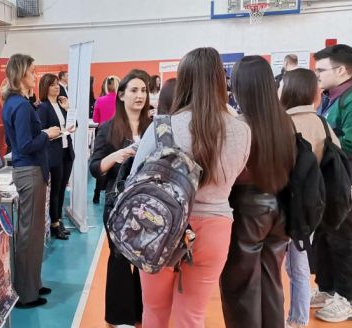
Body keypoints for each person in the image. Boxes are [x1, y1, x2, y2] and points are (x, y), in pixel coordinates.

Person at [130, 48, 251, 328]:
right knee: (193, 316)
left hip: (159, 225)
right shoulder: (242, 129)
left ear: (183, 81)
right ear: (222, 81)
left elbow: (137, 175)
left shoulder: (163, 126)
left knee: (155, 312)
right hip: (216, 226)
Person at [219, 55, 296, 328]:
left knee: (240, 287)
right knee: (271, 281)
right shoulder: (284, 122)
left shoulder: (239, 125)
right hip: (281, 207)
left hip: (247, 209)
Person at [311, 44, 352, 323]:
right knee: (326, 234)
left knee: (344, 237)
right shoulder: (332, 96)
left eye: (321, 70)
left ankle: (349, 299)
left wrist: (314, 148)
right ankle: (327, 289)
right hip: (334, 178)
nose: (317, 76)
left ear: (341, 70)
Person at [278, 68, 341, 328]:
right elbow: (336, 157)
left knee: (284, 266)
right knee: (299, 263)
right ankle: (298, 318)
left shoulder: (283, 124)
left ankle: (295, 319)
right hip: (313, 205)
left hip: (284, 203)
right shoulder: (321, 123)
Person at [89, 69, 152, 327]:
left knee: (145, 259)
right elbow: (95, 168)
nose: (140, 95)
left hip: (148, 205)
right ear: (122, 95)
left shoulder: (154, 128)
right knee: (119, 257)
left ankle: (141, 312)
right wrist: (119, 155)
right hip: (118, 204)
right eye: (134, 90)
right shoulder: (108, 129)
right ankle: (119, 316)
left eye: (144, 90)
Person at [1, 54, 61, 309]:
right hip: (30, 171)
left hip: (31, 171)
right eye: (32, 72)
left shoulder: (16, 103)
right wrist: (47, 134)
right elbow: (25, 144)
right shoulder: (21, 106)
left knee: (35, 232)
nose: (35, 76)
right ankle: (25, 293)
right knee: (28, 234)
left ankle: (32, 283)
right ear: (21, 74)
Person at [36, 73, 76, 240]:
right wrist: (54, 133)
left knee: (61, 190)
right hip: (54, 153)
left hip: (66, 150)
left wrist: (68, 109)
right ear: (46, 87)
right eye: (52, 85)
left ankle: (58, 220)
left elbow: (74, 124)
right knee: (55, 190)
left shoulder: (60, 104)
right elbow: (42, 132)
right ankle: (54, 224)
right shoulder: (43, 107)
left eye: (57, 84)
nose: (56, 87)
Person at [91, 75, 120, 204]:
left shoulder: (100, 100)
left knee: (101, 164)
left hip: (102, 135)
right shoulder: (121, 101)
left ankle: (96, 194)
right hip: (119, 135)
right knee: (117, 164)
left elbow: (96, 119)